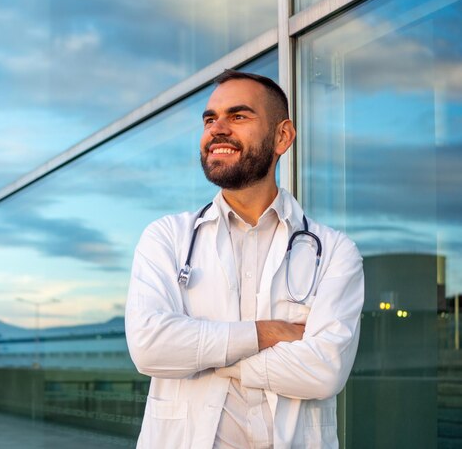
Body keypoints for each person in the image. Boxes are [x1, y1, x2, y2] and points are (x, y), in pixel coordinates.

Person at [125, 69, 364, 449]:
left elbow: (324, 372)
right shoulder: (167, 238)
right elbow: (149, 346)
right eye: (210, 119)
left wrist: (202, 356)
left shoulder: (334, 251)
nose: (217, 129)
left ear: (282, 136)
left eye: (237, 116)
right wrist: (267, 333)